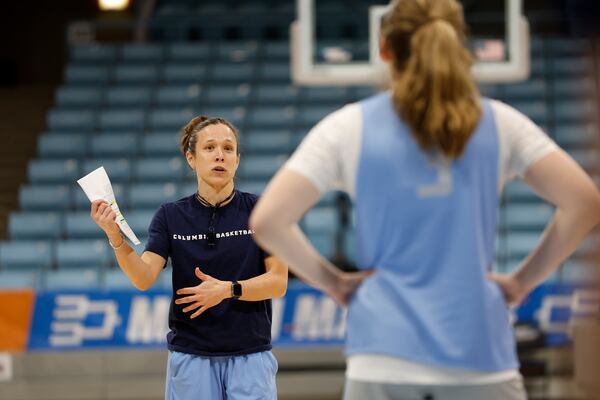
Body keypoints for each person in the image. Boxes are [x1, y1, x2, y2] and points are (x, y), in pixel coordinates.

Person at [249, 0, 600, 399]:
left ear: (384, 49)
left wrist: (336, 285)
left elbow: (268, 221)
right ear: (457, 44)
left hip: (383, 354)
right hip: (480, 353)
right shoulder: (500, 122)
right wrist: (522, 282)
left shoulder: (348, 127)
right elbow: (584, 203)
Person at [91, 116, 287, 400]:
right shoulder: (170, 216)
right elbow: (144, 277)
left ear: (237, 160)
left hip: (251, 355)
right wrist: (115, 238)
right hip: (191, 356)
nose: (220, 154)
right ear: (191, 158)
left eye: (228, 148)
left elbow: (278, 281)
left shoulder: (263, 210)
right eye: (209, 148)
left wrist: (228, 290)